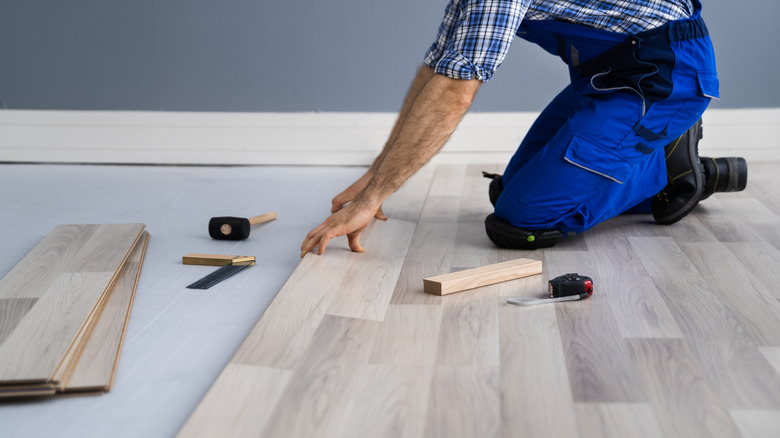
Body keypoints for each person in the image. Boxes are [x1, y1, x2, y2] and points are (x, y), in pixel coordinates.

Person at [300, 0, 746, 256]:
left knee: (522, 221)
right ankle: (654, 151)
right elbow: (438, 68)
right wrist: (376, 176)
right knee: (508, 193)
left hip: (663, 79)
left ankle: (673, 168)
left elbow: (457, 89)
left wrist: (375, 196)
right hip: (608, 78)